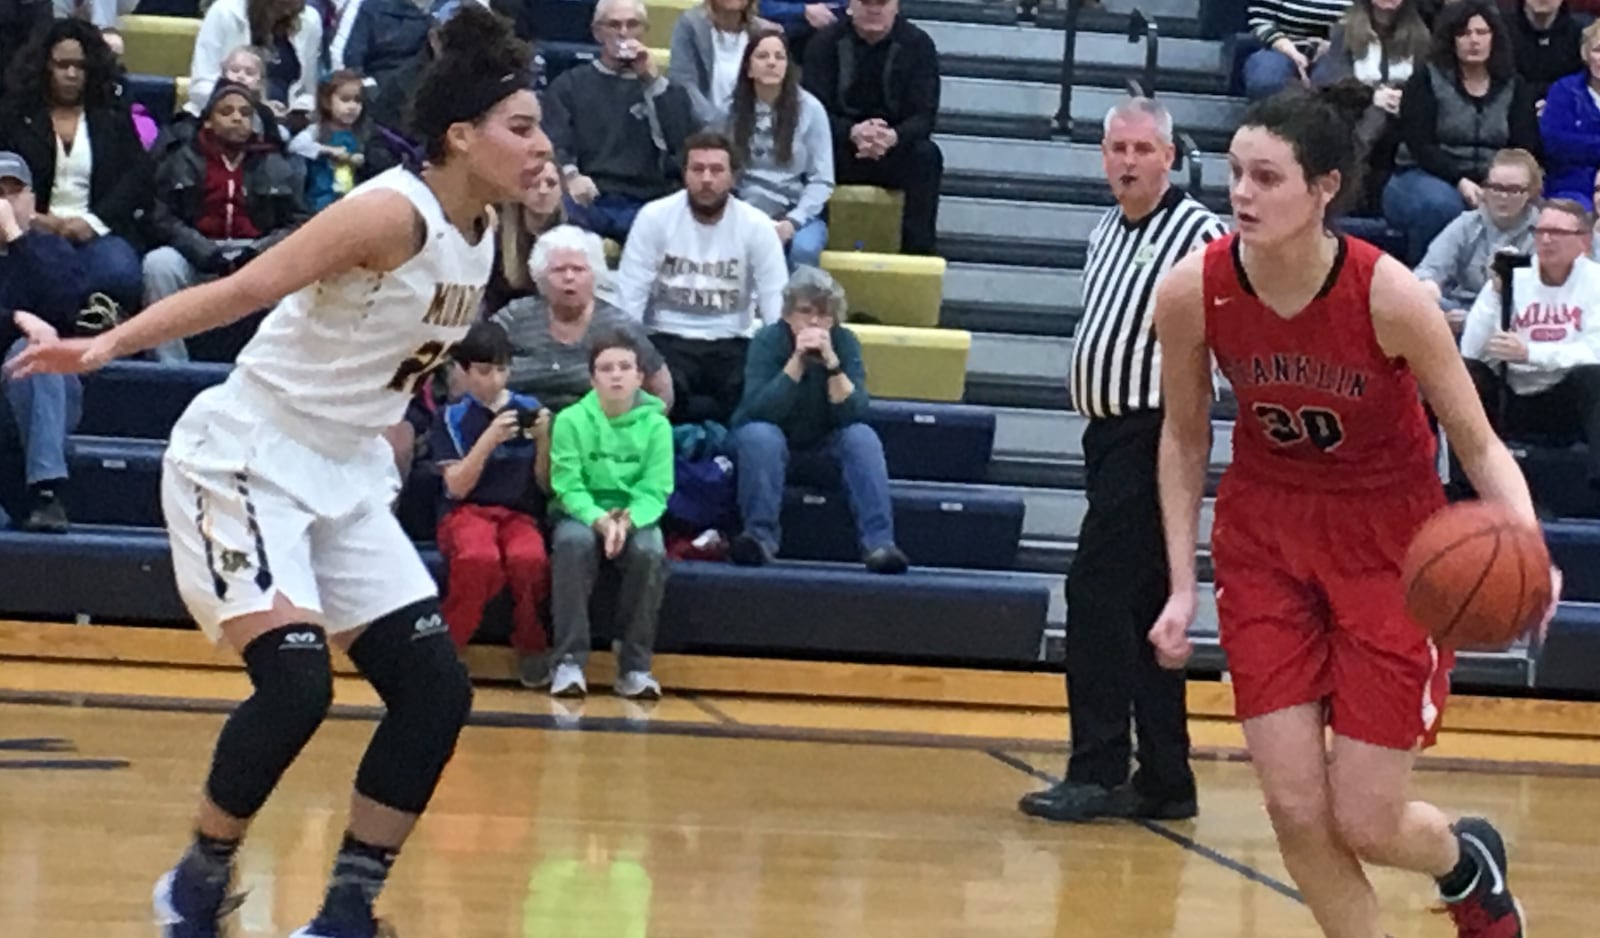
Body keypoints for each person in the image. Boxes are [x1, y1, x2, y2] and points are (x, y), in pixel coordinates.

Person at [6, 8, 550, 938]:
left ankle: (346, 908)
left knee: (435, 691)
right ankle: (197, 883)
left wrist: (391, 427)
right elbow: (246, 288)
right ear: (462, 138)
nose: (543, 145)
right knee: (297, 683)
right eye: (523, 127)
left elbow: (398, 351)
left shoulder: (490, 231)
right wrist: (103, 350)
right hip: (250, 454)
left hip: (341, 470)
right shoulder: (389, 210)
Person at [1150, 86, 1554, 938]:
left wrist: (1527, 543)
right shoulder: (1194, 291)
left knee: (1365, 820)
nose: (1244, 194)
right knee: (1296, 810)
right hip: (1265, 541)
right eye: (1236, 174)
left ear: (1325, 187)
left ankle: (1464, 862)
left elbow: (1478, 445)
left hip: (1389, 553)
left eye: (1267, 177)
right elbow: (1185, 440)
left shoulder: (1392, 298)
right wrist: (1182, 586)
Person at [1017, 97, 1224, 825]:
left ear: (1170, 156)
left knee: (1095, 594)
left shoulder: (1201, 234)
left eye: (1143, 148)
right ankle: (1167, 778)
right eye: (1118, 148)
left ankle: (1097, 767)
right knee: (1138, 609)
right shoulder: (1105, 228)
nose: (1129, 160)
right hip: (1105, 439)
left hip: (1155, 434)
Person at [730, 265, 908, 572]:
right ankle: (759, 539)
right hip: (771, 447)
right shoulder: (768, 340)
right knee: (760, 435)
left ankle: (880, 544)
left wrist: (832, 367)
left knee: (862, 437)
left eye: (824, 314)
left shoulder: (845, 341)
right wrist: (797, 361)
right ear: (787, 315)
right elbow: (758, 410)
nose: (814, 321)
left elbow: (855, 413)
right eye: (804, 312)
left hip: (823, 448)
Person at [547, 329, 674, 699]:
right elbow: (567, 485)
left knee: (650, 552)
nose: (616, 375)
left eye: (625, 367)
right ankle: (568, 661)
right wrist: (600, 520)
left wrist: (627, 521)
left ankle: (634, 666)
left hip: (635, 513)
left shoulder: (657, 426)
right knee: (573, 542)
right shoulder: (571, 420)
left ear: (639, 377)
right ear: (592, 378)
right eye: (606, 368)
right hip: (581, 511)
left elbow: (656, 489)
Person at [430, 321, 553, 688]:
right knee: (477, 559)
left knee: (529, 560)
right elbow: (456, 487)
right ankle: (446, 649)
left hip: (518, 515)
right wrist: (489, 439)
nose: (496, 381)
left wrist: (544, 440)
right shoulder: (450, 417)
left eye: (502, 370)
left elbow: (546, 484)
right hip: (465, 513)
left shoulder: (529, 409)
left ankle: (531, 645)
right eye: (484, 371)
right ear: (464, 372)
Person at [1459, 199, 1600, 493]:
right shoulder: (1512, 274)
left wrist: (1531, 353)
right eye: (1541, 231)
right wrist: (1496, 294)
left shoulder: (1594, 283)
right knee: (1465, 374)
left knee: (1596, 378)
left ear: (1583, 241)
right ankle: (1459, 486)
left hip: (1565, 401)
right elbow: (1471, 351)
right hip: (1511, 396)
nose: (1546, 239)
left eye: (1558, 233)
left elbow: (1595, 351)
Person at [0, 151, 91, 533]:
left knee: (35, 355)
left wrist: (18, 239)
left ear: (31, 201)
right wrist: (16, 318)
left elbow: (66, 309)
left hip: (41, 394)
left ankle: (47, 494)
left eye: (12, 192)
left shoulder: (53, 251)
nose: (3, 202)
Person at [728, 27, 836, 270]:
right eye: (763, 56)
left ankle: (797, 308)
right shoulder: (731, 111)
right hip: (746, 210)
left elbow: (823, 179)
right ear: (748, 67)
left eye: (779, 57)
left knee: (804, 249)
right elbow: (725, 173)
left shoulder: (811, 109)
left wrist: (793, 221)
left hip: (797, 212)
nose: (772, 63)